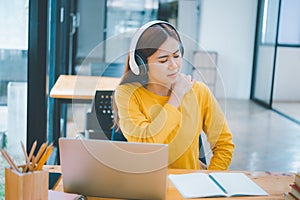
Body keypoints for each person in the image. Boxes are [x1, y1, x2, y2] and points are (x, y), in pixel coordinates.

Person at [113, 20, 234, 170]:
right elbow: (145, 144)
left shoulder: (199, 91)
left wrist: (210, 178)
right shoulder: (128, 94)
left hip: (189, 186)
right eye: (163, 60)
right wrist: (176, 98)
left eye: (177, 56)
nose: (174, 65)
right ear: (142, 64)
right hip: (144, 184)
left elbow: (224, 144)